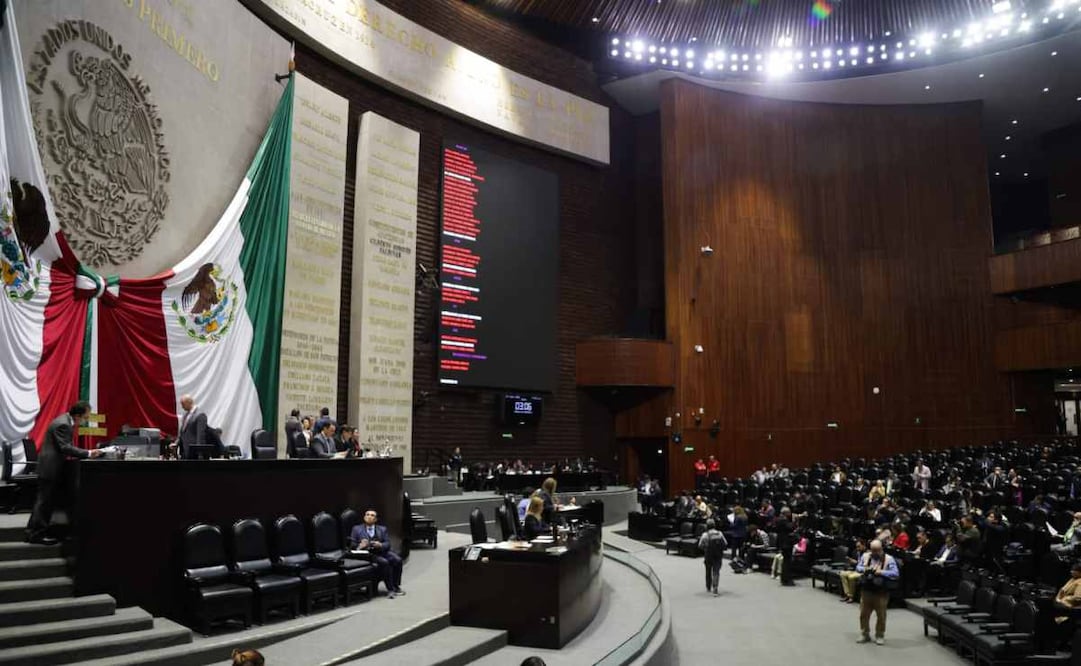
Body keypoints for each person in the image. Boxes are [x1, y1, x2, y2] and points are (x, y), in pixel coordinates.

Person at [25, 401, 104, 544]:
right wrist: (88, 453)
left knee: (45, 501)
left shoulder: (65, 421)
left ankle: (35, 532)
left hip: (52, 467)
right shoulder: (63, 424)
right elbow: (65, 447)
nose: (86, 420)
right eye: (86, 417)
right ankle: (36, 534)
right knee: (44, 502)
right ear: (78, 415)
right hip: (50, 468)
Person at [350, 509, 404, 598]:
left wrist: (381, 545)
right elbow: (352, 544)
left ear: (375, 519)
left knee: (397, 560)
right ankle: (390, 589)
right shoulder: (356, 529)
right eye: (367, 515)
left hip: (381, 551)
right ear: (364, 517)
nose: (369, 517)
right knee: (385, 562)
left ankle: (396, 586)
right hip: (368, 554)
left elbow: (387, 543)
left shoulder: (382, 529)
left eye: (372, 515)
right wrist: (360, 546)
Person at [855, 539, 899, 645]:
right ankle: (864, 634)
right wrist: (865, 569)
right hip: (866, 590)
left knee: (881, 615)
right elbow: (858, 567)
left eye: (877, 550)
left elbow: (895, 573)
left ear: (881, 549)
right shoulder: (865, 556)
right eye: (873, 550)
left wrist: (881, 572)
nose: (874, 553)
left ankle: (880, 635)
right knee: (863, 614)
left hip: (881, 592)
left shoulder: (889, 559)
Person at [698, 519, 727, 596]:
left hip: (708, 555)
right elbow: (725, 543)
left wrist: (705, 548)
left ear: (707, 526)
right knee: (716, 572)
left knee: (708, 571)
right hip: (718, 555)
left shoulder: (705, 535)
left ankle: (708, 587)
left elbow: (700, 545)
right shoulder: (720, 533)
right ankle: (715, 588)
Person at [839, 538, 869, 603]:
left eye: (859, 546)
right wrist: (851, 560)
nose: (857, 548)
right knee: (842, 574)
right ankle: (847, 594)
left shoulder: (867, 554)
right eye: (856, 547)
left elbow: (865, 567)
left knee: (851, 577)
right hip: (856, 570)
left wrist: (858, 566)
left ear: (863, 545)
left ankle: (851, 597)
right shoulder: (859, 552)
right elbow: (858, 563)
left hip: (862, 572)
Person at [177, 394, 207, 458]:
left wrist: (200, 453)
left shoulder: (200, 415)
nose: (182, 407)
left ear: (189, 402)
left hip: (194, 451)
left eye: (183, 404)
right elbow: (183, 432)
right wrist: (176, 443)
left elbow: (200, 435)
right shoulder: (185, 415)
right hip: (184, 450)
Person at [775, 507, 795, 586]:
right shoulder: (784, 520)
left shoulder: (778, 519)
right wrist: (794, 521)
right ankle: (787, 579)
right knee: (787, 562)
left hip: (781, 542)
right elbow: (791, 528)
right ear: (786, 513)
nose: (790, 513)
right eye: (789, 512)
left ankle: (784, 579)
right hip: (786, 543)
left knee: (785, 561)